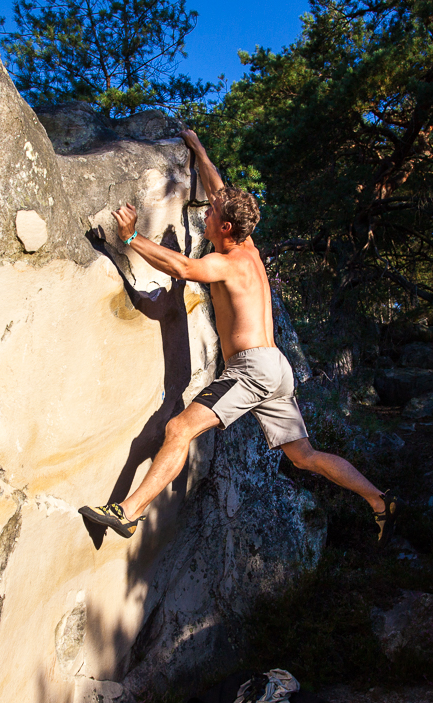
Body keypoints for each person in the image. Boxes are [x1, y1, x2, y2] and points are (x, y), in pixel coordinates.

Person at [79, 129, 398, 540]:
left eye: (211, 215)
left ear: (226, 227)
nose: (205, 214)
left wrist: (130, 237)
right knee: (304, 456)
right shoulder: (247, 247)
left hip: (252, 371)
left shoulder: (225, 263)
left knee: (179, 429)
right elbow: (217, 187)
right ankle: (378, 500)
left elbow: (183, 269)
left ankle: (127, 511)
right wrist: (197, 148)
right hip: (276, 367)